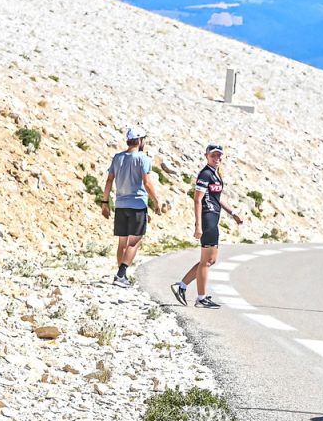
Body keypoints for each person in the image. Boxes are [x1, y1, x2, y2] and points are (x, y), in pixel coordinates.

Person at [171, 144, 243, 309]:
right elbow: (197, 199)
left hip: (214, 218)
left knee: (210, 259)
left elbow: (218, 197)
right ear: (206, 156)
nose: (216, 158)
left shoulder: (215, 174)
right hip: (207, 218)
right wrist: (198, 225)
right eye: (213, 156)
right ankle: (201, 298)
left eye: (219, 156)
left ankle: (181, 286)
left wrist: (232, 213)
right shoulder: (205, 174)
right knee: (207, 261)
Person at [100, 126, 161, 287]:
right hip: (137, 205)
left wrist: (105, 202)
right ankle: (121, 275)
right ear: (140, 141)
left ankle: (122, 275)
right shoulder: (143, 159)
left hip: (120, 204)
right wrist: (156, 201)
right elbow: (147, 183)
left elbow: (109, 181)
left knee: (122, 242)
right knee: (134, 242)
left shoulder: (117, 158)